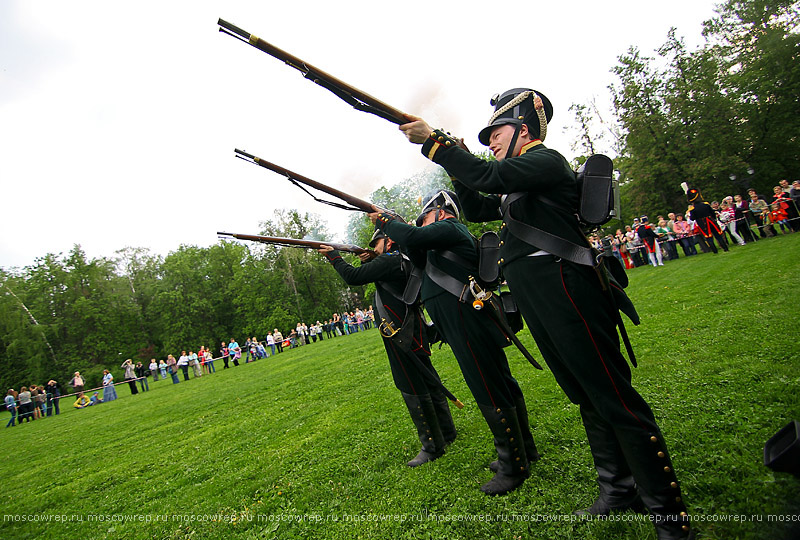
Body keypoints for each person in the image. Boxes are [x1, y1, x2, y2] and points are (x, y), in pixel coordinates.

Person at [398, 88, 693, 539]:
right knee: (583, 393)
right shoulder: (518, 180)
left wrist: (436, 142)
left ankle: (670, 516)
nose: (490, 142)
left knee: (613, 397)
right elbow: (478, 200)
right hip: (542, 295)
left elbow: (484, 174)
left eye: (496, 133)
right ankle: (618, 487)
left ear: (523, 129)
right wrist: (452, 155)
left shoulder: (545, 161)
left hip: (567, 288)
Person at [369, 190, 539, 496]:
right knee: (499, 381)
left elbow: (411, 235)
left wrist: (386, 220)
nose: (421, 224)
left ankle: (513, 464)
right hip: (460, 320)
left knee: (487, 384)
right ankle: (524, 449)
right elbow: (415, 252)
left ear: (442, 213)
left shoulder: (450, 228)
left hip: (466, 318)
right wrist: (397, 231)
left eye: (424, 218)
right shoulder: (435, 242)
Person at [319, 228, 458, 468]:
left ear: (389, 240)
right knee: (427, 377)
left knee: (411, 383)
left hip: (399, 331)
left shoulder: (390, 260)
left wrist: (334, 256)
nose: (374, 247)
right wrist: (373, 258)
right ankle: (447, 431)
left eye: (377, 243)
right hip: (413, 327)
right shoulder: (404, 259)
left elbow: (352, 277)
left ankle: (432, 445)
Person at [688, 188, 728, 254]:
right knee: (718, 236)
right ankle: (725, 248)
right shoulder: (706, 204)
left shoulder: (693, 208)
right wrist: (714, 219)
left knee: (709, 238)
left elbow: (692, 218)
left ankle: (715, 251)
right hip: (711, 221)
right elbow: (712, 213)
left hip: (702, 224)